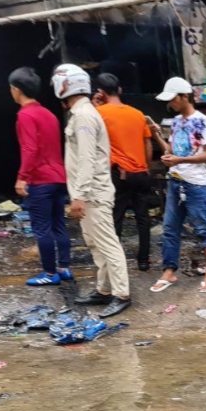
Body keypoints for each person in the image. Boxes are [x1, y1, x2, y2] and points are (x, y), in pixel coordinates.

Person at [51, 64, 132, 317]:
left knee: (107, 244)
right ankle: (104, 290)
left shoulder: (84, 116)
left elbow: (86, 159)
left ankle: (122, 294)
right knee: (96, 245)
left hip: (93, 194)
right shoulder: (82, 113)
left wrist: (79, 196)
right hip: (91, 193)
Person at [146, 77, 206, 293]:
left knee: (203, 229)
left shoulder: (203, 121)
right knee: (170, 228)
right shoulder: (176, 121)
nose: (170, 104)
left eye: (173, 99)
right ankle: (169, 271)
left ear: (184, 96)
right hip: (176, 181)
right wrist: (156, 134)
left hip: (195, 184)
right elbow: (171, 150)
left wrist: (180, 160)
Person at [9, 66, 73, 286]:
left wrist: (22, 177)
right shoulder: (49, 114)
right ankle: (63, 268)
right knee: (59, 225)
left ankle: (49, 273)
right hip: (58, 177)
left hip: (40, 180)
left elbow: (30, 148)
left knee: (42, 228)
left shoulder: (25, 115)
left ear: (17, 90)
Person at [93, 72, 154, 270]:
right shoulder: (137, 114)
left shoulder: (99, 114)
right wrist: (145, 167)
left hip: (119, 174)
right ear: (119, 90)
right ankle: (143, 260)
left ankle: (115, 262)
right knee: (143, 218)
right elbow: (148, 144)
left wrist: (95, 105)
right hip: (141, 172)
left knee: (115, 217)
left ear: (100, 92)